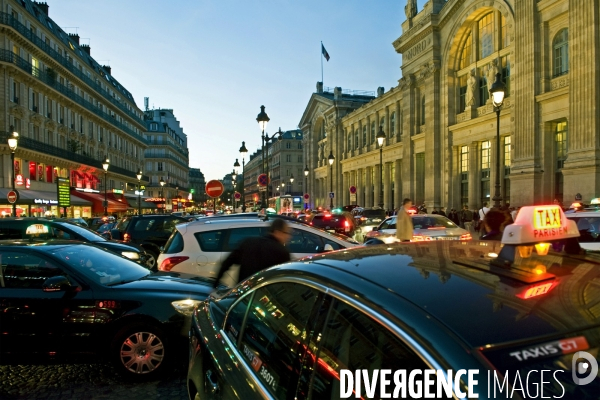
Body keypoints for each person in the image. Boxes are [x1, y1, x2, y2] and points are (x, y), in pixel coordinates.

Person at [213, 219, 292, 288]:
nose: (289, 237)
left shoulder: (248, 242)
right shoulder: (282, 252)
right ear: (277, 232)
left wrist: (215, 284)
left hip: (243, 293)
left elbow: (227, 263)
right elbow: (285, 280)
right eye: (286, 233)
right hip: (264, 297)